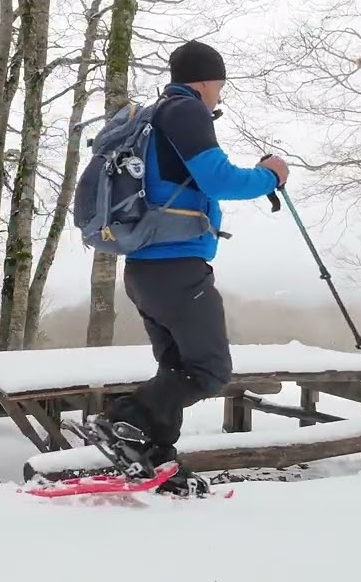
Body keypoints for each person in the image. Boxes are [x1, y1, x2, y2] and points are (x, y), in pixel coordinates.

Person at [93, 40, 289, 497]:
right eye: (219, 86)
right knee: (210, 369)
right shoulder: (186, 112)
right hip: (176, 268)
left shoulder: (156, 116)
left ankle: (156, 455)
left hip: (145, 271)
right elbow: (218, 179)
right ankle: (125, 419)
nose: (219, 96)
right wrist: (271, 177)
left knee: (176, 369)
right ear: (205, 80)